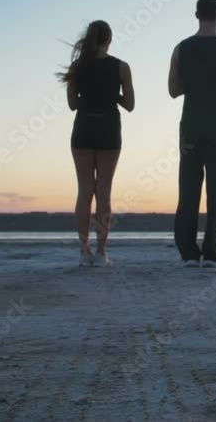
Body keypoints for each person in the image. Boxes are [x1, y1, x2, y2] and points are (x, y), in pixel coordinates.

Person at [168, 0, 216, 267]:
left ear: (196, 15)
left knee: (188, 188)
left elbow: (173, 90)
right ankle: (211, 248)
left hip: (191, 125)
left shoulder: (180, 49)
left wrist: (194, 82)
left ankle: (188, 251)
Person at [58, 20, 134, 267]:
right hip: (108, 129)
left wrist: (90, 94)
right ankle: (101, 252)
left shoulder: (78, 67)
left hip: (84, 128)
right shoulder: (121, 67)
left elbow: (72, 104)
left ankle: (84, 251)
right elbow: (130, 105)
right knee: (104, 191)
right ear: (109, 39)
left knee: (84, 190)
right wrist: (112, 94)